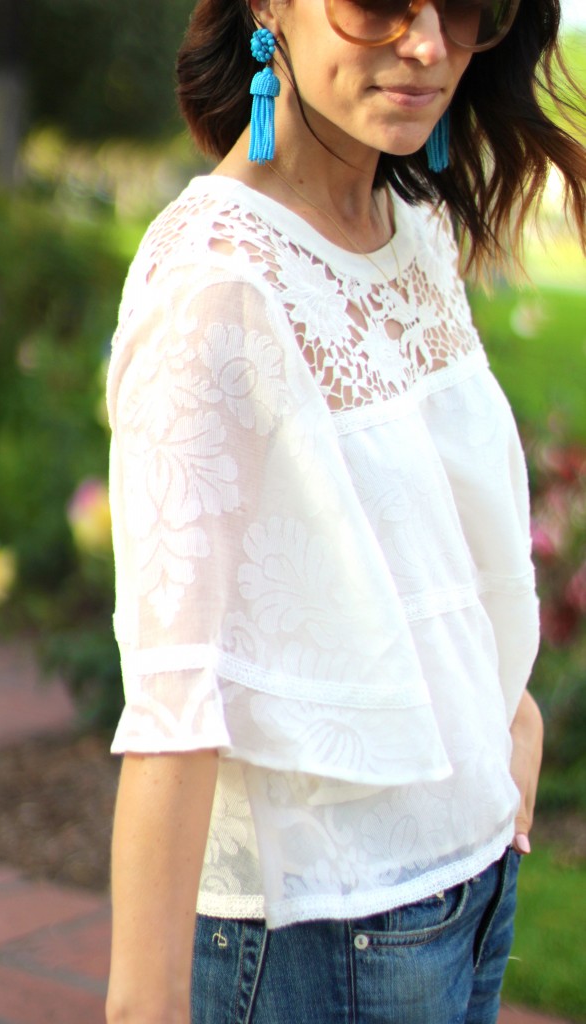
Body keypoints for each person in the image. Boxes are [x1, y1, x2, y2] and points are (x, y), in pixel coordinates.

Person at [105, 1, 586, 1022]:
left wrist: (510, 707)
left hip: (469, 877)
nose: (425, 46)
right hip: (327, 928)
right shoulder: (216, 284)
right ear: (268, 6)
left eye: (466, 8)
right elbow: (176, 694)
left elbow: (437, 538)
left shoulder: (404, 230)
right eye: (377, 4)